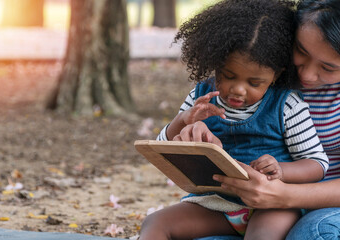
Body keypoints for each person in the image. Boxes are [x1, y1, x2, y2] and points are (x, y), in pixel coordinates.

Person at [139, 0, 329, 239]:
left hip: (271, 204)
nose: (238, 90)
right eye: (228, 76)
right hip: (216, 203)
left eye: (254, 82)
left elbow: (317, 164)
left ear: (276, 74)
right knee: (156, 222)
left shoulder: (288, 104)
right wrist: (184, 120)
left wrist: (281, 170)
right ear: (216, 64)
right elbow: (163, 147)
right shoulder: (201, 96)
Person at [197, 0, 340, 239]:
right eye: (302, 51)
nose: (306, 74)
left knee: (314, 232)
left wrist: (283, 196)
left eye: (328, 67)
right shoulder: (262, 76)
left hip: (324, 204)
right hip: (249, 204)